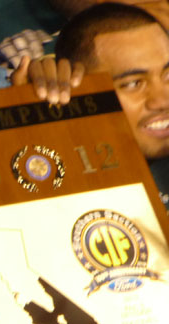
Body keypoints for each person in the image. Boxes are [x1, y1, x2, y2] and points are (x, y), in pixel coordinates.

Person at [55, 2, 169, 209]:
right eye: (134, 83)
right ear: (79, 90)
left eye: (168, 75)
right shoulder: (63, 191)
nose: (162, 100)